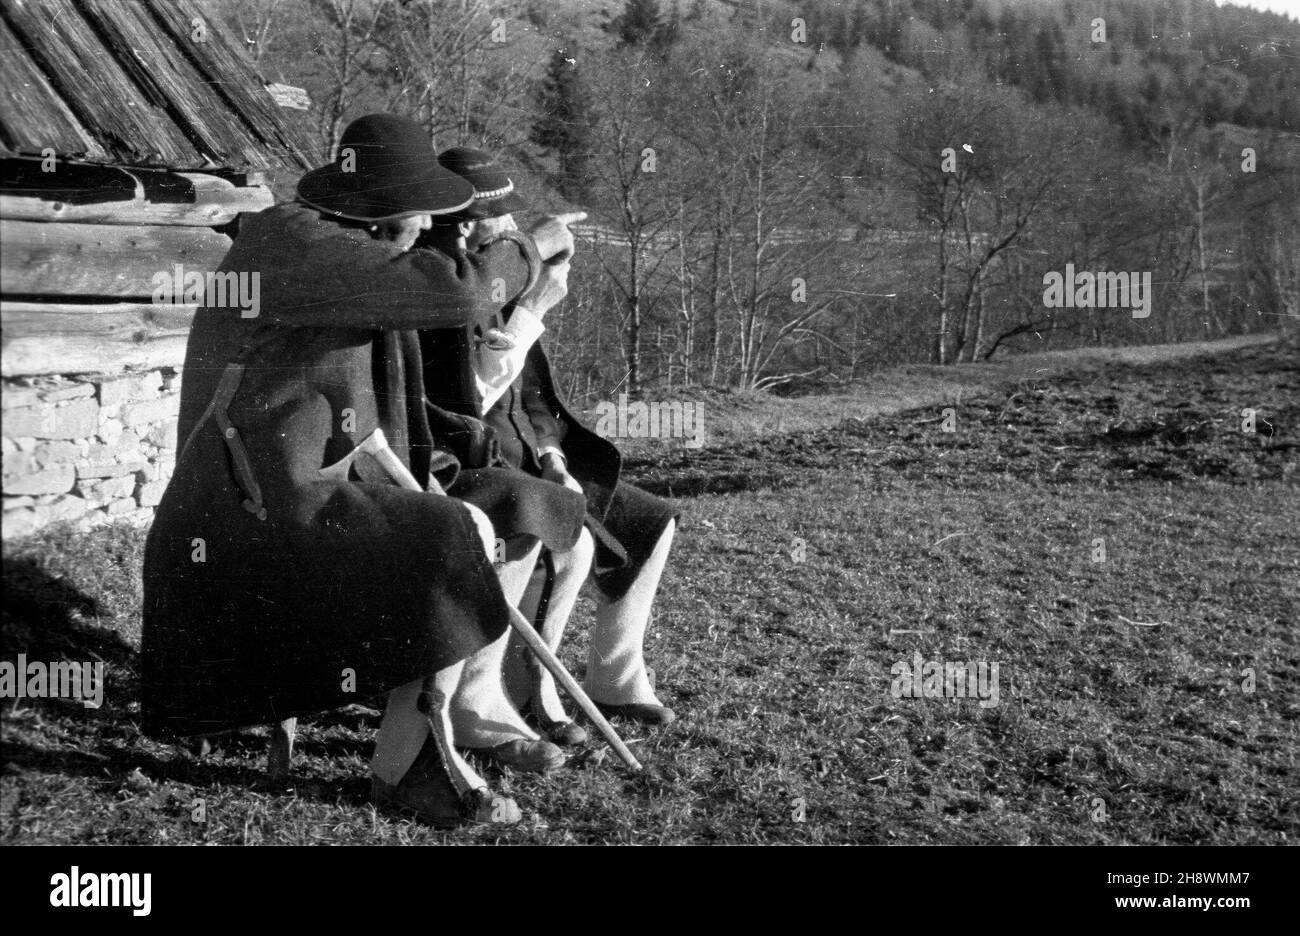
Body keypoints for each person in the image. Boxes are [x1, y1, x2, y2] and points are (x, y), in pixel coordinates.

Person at [140, 115, 577, 826]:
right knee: (451, 528)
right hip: (247, 508)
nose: (433, 227)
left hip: (317, 480)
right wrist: (530, 247)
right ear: (391, 206)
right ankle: (406, 766)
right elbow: (462, 293)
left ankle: (466, 703)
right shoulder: (292, 244)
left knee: (518, 503)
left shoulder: (341, 244)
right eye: (423, 212)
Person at [422, 148, 681, 748]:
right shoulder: (444, 290)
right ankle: (528, 695)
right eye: (499, 221)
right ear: (461, 222)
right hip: (477, 467)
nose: (513, 231)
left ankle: (616, 678)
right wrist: (532, 310)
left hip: (532, 463)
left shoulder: (499, 281)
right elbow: (465, 409)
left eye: (516, 220)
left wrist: (555, 459)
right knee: (570, 542)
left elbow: (535, 403)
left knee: (651, 522)